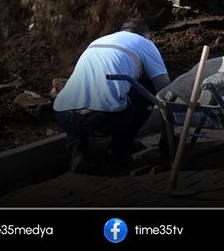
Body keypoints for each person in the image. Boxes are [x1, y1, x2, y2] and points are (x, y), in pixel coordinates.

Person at [53, 19, 170, 173]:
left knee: (78, 93)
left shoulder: (97, 42)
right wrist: (169, 135)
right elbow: (165, 89)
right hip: (102, 120)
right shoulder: (145, 43)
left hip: (63, 117)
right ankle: (118, 153)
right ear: (146, 35)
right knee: (146, 89)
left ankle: (78, 152)